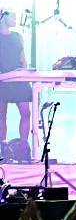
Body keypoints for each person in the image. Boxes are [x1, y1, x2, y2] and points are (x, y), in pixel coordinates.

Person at [0, 9, 31, 145]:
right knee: (1, 116)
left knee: (26, 113)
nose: (15, 19)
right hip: (2, 80)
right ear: (3, 17)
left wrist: (26, 72)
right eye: (13, 16)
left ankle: (23, 146)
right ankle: (3, 147)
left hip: (19, 78)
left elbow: (23, 58)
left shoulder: (18, 36)